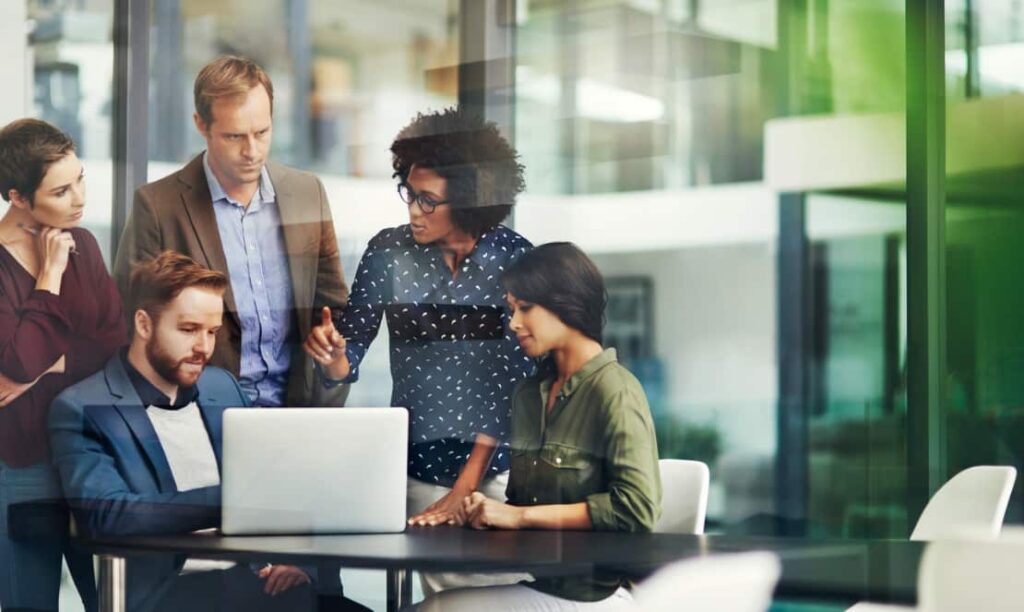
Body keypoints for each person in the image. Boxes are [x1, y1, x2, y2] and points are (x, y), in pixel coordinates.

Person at [49, 251, 366, 612]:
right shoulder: (81, 406)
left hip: (253, 583)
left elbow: (277, 486)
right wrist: (234, 503)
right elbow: (108, 515)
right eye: (188, 330)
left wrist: (299, 563)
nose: (204, 347)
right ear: (143, 324)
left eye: (212, 332)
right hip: (166, 596)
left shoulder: (222, 386)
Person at [304, 107, 534, 593]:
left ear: (470, 202)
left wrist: (463, 491)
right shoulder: (388, 252)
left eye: (428, 201)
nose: (413, 210)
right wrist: (333, 357)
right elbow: (352, 350)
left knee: (496, 596)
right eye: (409, 193)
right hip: (415, 468)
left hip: (496, 474)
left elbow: (513, 389)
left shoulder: (515, 261)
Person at [418, 242, 663, 611]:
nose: (513, 322)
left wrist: (516, 516)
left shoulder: (616, 391)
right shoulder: (529, 395)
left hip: (596, 596)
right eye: (511, 309)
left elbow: (636, 509)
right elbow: (523, 503)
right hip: (541, 584)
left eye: (525, 308)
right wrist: (486, 513)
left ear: (567, 303)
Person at [113, 55, 349, 408]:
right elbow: (129, 326)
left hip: (296, 414)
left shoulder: (307, 193)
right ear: (201, 125)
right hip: (198, 417)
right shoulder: (158, 207)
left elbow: (334, 308)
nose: (251, 151)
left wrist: (332, 350)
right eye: (234, 136)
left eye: (262, 133)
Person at [0, 118, 127, 612]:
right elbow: (18, 357)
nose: (79, 199)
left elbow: (113, 347)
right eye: (60, 190)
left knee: (113, 600)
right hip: (21, 463)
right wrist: (49, 276)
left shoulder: (86, 244)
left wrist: (45, 368)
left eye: (80, 179)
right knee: (29, 604)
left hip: (93, 458)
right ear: (18, 197)